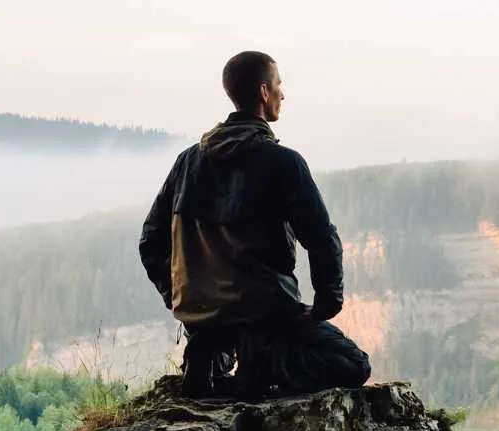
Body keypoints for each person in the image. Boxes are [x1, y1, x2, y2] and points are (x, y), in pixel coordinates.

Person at [137, 50, 371, 400]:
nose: (282, 94)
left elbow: (151, 240)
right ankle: (262, 365)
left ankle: (212, 356)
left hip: (206, 321)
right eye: (279, 85)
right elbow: (323, 239)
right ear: (264, 92)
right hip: (267, 314)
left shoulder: (188, 162)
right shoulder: (282, 163)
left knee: (220, 341)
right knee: (353, 364)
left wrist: (181, 301)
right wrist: (326, 305)